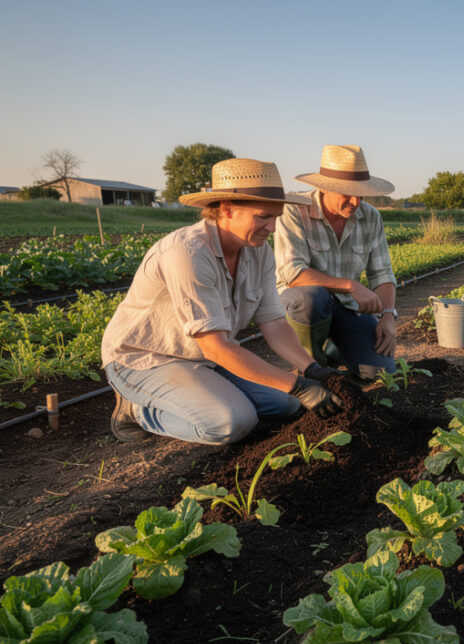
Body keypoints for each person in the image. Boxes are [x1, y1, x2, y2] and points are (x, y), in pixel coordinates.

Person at [102, 158, 342, 445]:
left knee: (287, 404)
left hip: (204, 359)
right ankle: (138, 410)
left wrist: (311, 369)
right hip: (146, 359)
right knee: (232, 422)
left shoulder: (259, 253)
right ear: (227, 209)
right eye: (263, 217)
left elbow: (275, 323)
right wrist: (298, 386)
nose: (273, 227)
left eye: (276, 217)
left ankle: (209, 392)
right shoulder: (187, 253)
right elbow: (215, 346)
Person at [273, 144, 398, 380]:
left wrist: (388, 316)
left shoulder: (370, 216)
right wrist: (351, 286)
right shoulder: (294, 211)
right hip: (302, 305)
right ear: (324, 188)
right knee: (311, 298)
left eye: (361, 194)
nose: (356, 201)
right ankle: (312, 368)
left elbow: (382, 273)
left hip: (348, 308)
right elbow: (293, 272)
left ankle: (336, 349)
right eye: (347, 194)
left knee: (381, 373)